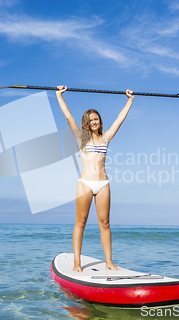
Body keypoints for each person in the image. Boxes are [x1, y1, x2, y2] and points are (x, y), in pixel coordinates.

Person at [56, 85, 134, 272]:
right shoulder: (81, 139)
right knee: (80, 222)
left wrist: (130, 100)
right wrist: (59, 96)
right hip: (85, 183)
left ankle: (108, 261)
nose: (94, 122)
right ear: (86, 122)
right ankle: (76, 263)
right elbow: (69, 117)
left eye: (96, 119)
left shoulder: (106, 138)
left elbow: (119, 120)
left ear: (100, 121)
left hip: (103, 184)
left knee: (105, 223)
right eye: (91, 120)